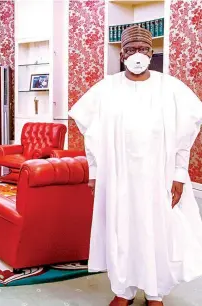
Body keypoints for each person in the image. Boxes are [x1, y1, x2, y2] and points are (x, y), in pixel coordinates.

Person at [69, 26, 202, 306]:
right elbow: (89, 130)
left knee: (157, 230)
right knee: (122, 230)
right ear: (121, 55)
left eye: (143, 50)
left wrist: (179, 172)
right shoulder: (106, 88)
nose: (137, 56)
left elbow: (186, 133)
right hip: (119, 177)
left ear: (151, 53)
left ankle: (155, 293)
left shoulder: (171, 88)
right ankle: (124, 291)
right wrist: (95, 172)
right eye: (131, 50)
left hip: (159, 174)